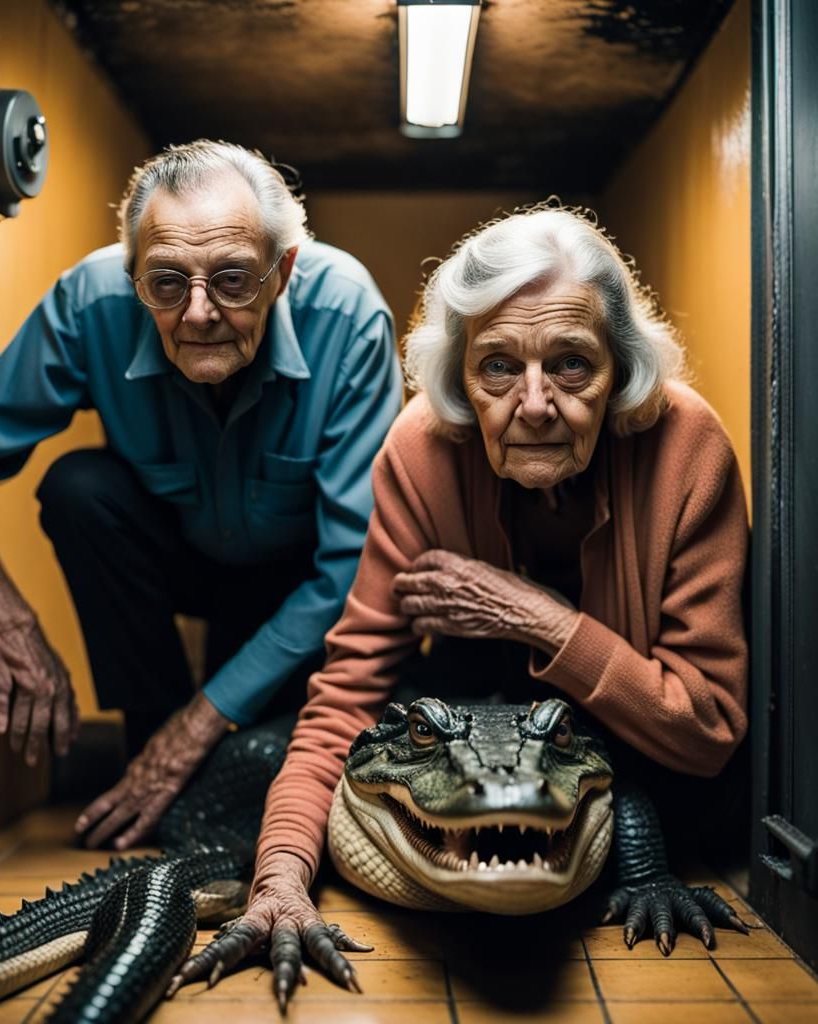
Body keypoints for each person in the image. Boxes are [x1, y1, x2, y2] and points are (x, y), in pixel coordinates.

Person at [201, 205, 749, 1002]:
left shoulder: (687, 443)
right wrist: (279, 877)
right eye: (497, 367)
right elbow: (347, 699)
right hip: (469, 752)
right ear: (460, 375)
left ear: (622, 372)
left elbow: (705, 730)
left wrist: (533, 615)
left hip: (637, 769)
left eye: (570, 364)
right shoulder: (421, 448)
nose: (532, 403)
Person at [0, 139, 402, 850]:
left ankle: (180, 752)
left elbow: (355, 564)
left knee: (270, 759)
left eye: (232, 279)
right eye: (165, 283)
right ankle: (151, 755)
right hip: (179, 557)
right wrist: (9, 625)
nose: (197, 314)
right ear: (134, 274)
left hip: (304, 583)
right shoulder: (91, 301)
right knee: (79, 488)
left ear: (282, 272)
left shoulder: (348, 315)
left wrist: (203, 722)